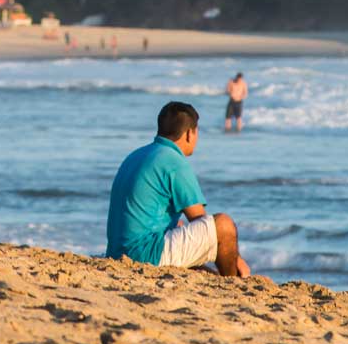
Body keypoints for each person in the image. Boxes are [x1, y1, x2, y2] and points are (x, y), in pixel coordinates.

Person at [106, 101, 249, 277]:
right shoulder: (173, 161)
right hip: (143, 255)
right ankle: (233, 281)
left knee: (180, 227)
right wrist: (237, 259)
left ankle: (219, 279)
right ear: (189, 133)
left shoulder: (138, 155)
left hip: (117, 254)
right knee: (223, 226)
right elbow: (200, 220)